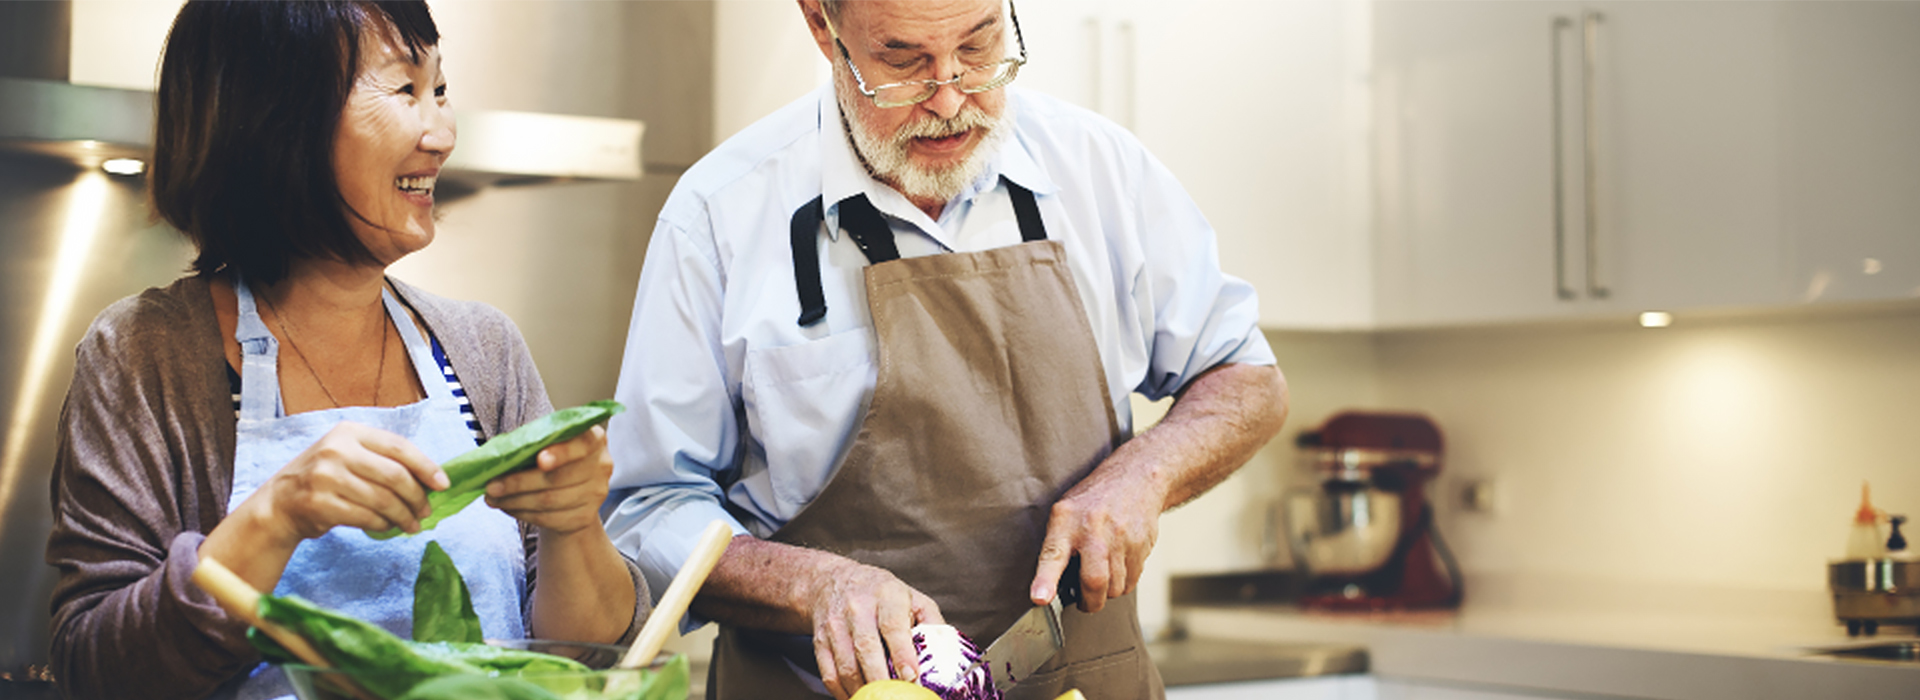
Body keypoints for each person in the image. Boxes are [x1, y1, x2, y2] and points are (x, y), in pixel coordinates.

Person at [602, 0, 1289, 697]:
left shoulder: (1101, 172)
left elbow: (1245, 377)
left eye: (979, 47)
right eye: (903, 62)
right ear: (822, 25)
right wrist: (812, 585)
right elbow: (647, 509)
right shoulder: (720, 216)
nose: (952, 98)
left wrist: (1143, 476)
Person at [43, 2, 647, 698]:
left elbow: (585, 661)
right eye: (405, 90)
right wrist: (277, 515)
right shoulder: (143, 357)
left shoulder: (483, 350)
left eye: (440, 89)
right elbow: (93, 670)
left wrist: (572, 525)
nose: (443, 132)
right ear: (277, 118)